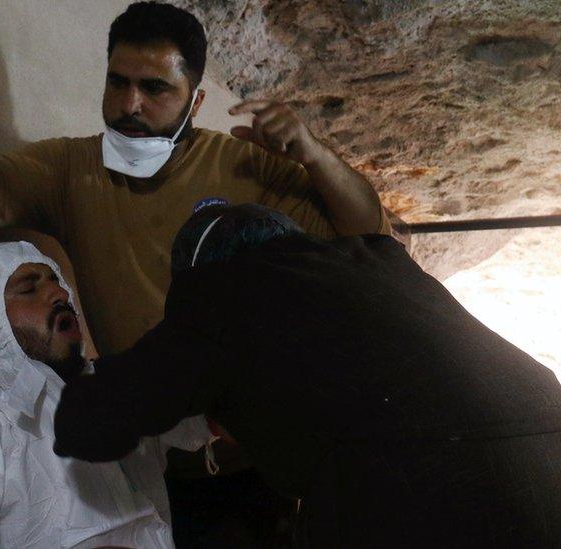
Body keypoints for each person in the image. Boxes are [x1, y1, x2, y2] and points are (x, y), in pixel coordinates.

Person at [0, 3, 389, 538]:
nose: (130, 104)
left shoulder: (242, 164)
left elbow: (364, 235)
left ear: (194, 102)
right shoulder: (73, 169)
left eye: (155, 89)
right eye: (117, 82)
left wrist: (314, 154)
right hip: (156, 466)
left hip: (259, 456)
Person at [53, 203, 561, 547]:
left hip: (425, 497)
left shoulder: (223, 290)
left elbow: (92, 420)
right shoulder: (382, 263)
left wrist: (82, 377)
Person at [0, 241, 213, 548]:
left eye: (57, 281)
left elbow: (219, 417)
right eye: (29, 290)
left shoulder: (116, 396)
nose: (61, 294)